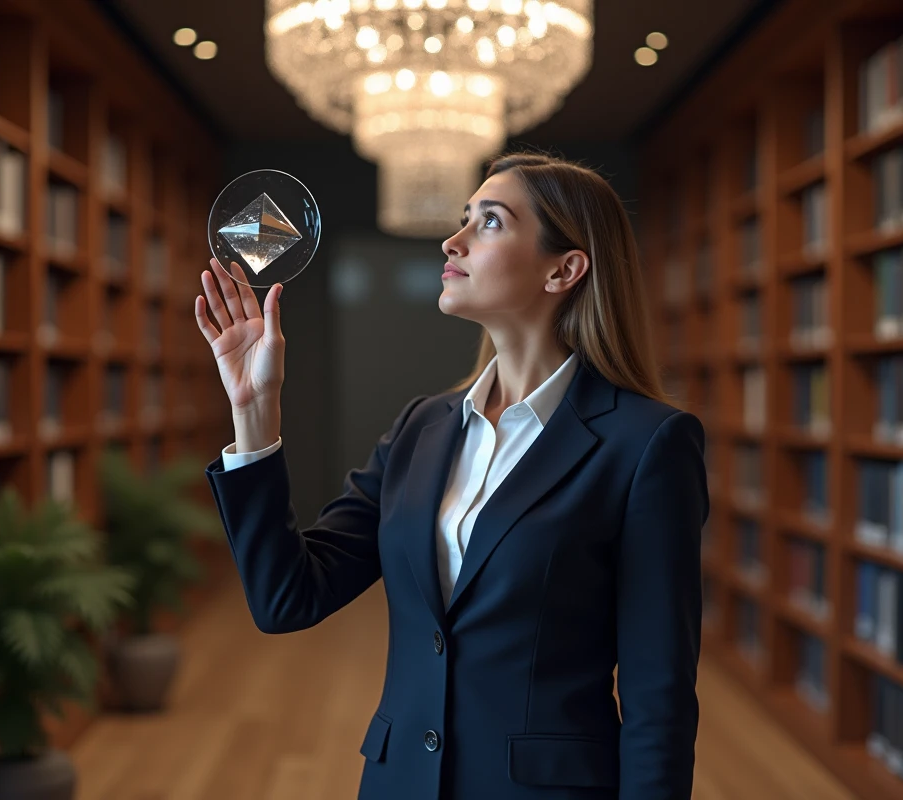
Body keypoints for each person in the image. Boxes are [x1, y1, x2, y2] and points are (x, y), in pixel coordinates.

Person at [194, 152, 709, 800]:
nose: (452, 239)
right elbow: (286, 598)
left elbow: (658, 699)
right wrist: (253, 408)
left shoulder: (647, 444)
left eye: (489, 222)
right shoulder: (422, 427)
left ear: (565, 269)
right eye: (464, 217)